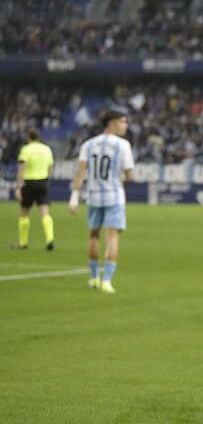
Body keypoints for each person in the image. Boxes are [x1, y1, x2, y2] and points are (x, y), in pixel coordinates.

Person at [69, 110, 135, 295]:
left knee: (93, 236)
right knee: (112, 237)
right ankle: (107, 281)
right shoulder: (123, 145)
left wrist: (74, 198)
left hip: (93, 195)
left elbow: (81, 172)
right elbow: (130, 175)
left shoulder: (88, 144)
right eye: (123, 122)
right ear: (112, 123)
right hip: (114, 196)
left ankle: (93, 278)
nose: (126, 126)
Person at [13, 129, 55, 250]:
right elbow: (50, 167)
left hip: (29, 182)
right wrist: (47, 180)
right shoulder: (47, 149)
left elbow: (22, 168)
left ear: (28, 137)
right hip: (43, 182)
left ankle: (23, 242)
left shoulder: (26, 149)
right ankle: (50, 239)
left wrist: (18, 186)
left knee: (24, 212)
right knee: (45, 212)